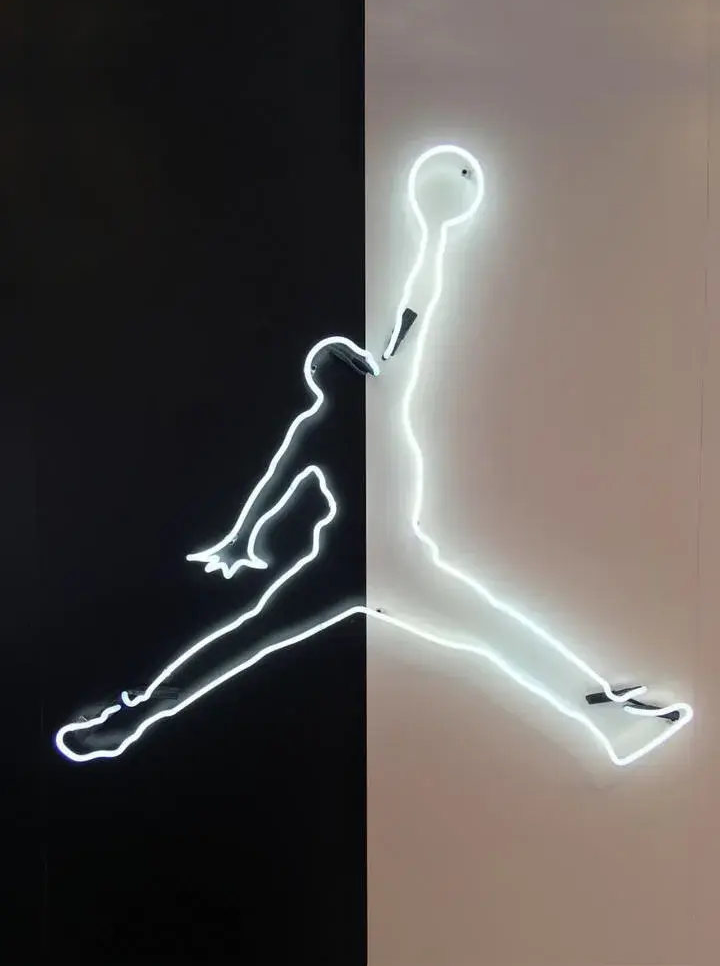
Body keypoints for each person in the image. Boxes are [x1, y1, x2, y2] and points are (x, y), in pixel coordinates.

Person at [55, 145, 693, 767]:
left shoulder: (327, 420)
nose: (363, 355)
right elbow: (416, 311)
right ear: (348, 373)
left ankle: (131, 718)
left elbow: (275, 488)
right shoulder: (377, 397)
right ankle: (606, 717)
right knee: (493, 635)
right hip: (387, 561)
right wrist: (435, 235)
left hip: (344, 565)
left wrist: (241, 540)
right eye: (353, 356)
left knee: (250, 639)